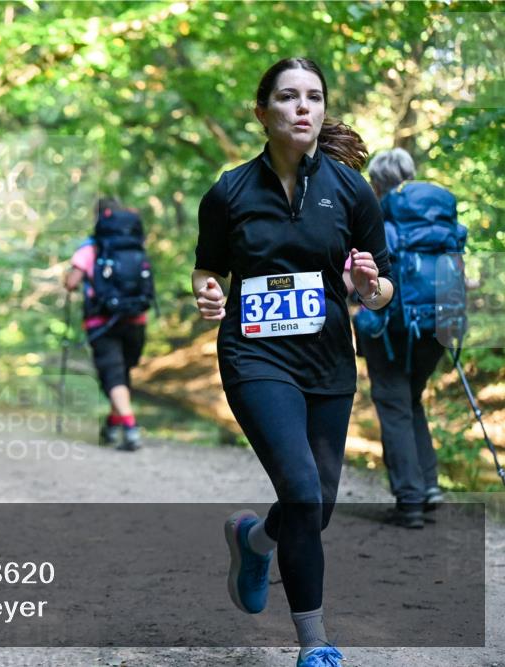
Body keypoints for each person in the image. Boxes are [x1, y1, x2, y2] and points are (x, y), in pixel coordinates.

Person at [192, 58, 393, 667]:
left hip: (328, 359)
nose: (302, 107)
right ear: (264, 112)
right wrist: (206, 291)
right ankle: (315, 642)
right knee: (302, 492)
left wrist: (367, 282)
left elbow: (380, 291)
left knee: (320, 504)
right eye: (287, 97)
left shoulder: (351, 190)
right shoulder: (229, 191)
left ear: (323, 110)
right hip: (255, 356)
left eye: (314, 97)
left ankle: (253, 541)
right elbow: (208, 268)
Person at [348, 148, 468, 528]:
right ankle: (429, 486)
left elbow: (356, 280)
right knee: (410, 399)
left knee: (393, 402)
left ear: (377, 181)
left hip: (391, 326)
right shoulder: (436, 215)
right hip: (439, 322)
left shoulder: (377, 214)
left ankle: (410, 500)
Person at [64, 198, 153, 451]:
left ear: (98, 217)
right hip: (136, 318)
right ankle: (112, 426)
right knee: (122, 373)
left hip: (101, 321)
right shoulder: (134, 244)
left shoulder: (91, 247)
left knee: (113, 376)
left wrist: (67, 278)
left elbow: (72, 282)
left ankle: (130, 428)